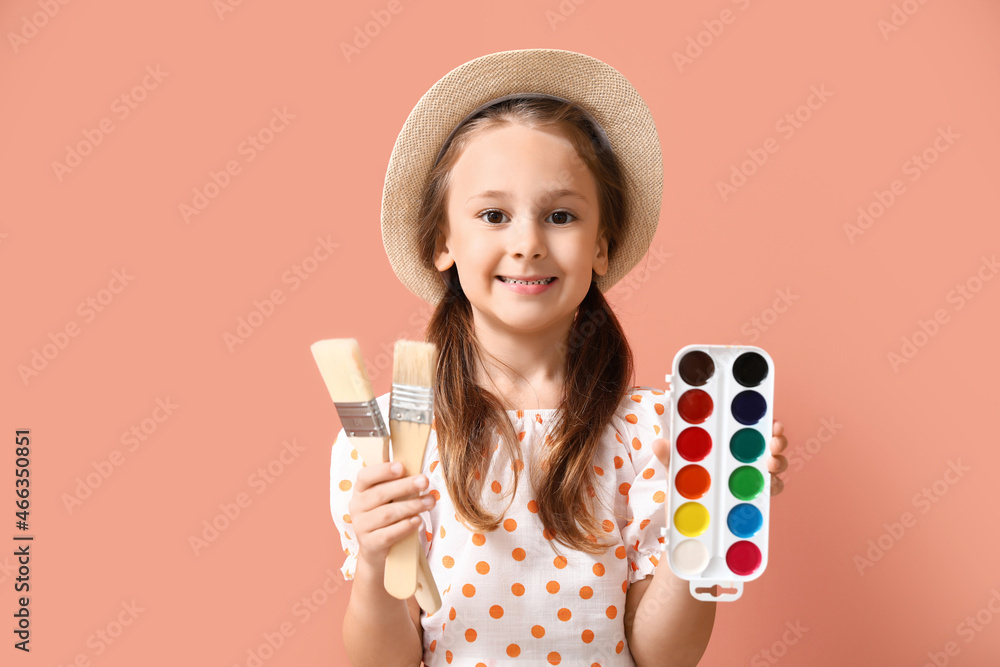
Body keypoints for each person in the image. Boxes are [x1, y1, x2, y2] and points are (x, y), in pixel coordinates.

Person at [330, 49, 790, 667]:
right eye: (493, 215)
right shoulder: (392, 439)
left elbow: (663, 657)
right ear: (443, 241)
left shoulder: (653, 434)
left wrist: (700, 522)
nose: (527, 243)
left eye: (561, 216)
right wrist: (375, 560)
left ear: (601, 245)